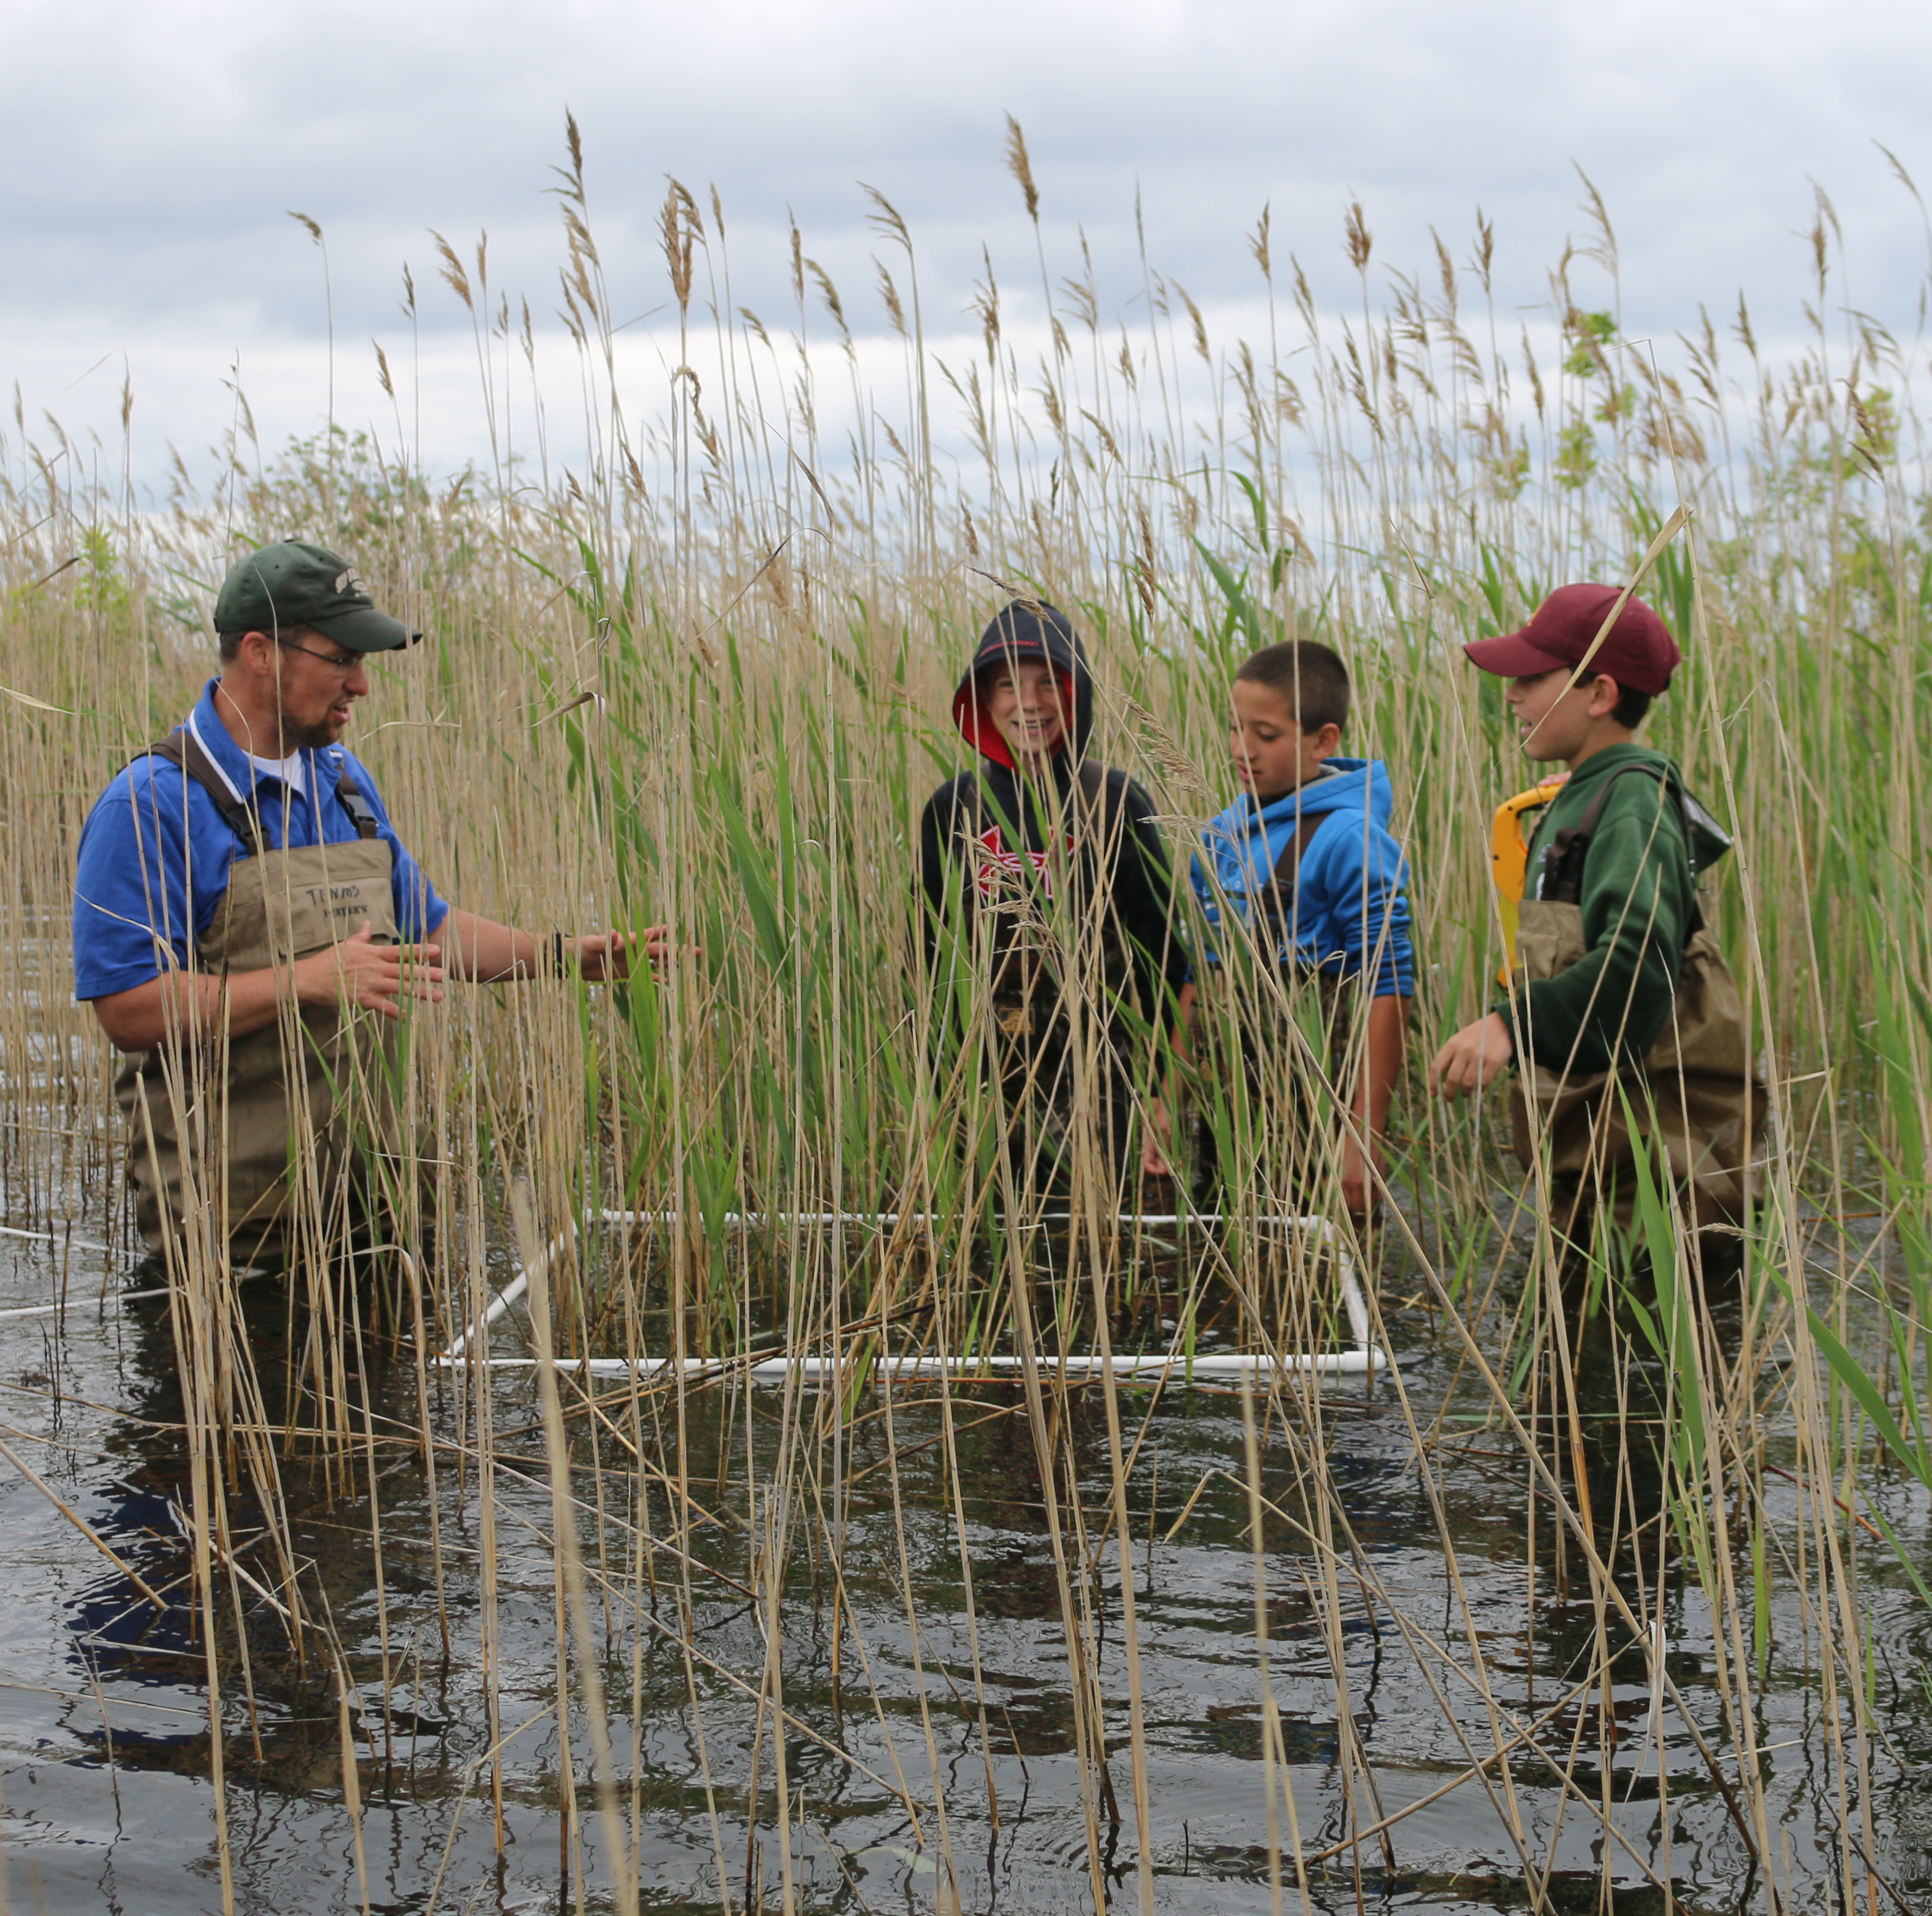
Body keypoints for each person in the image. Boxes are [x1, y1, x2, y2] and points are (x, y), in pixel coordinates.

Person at [72, 539, 664, 1267]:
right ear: (261, 652)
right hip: (233, 1252)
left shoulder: (342, 782)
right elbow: (128, 1009)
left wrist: (569, 957)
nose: (361, 684)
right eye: (341, 658)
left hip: (373, 1220)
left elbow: (429, 928)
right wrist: (311, 980)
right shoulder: (150, 804)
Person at [1429, 582, 1762, 1258]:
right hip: (1604, 1165)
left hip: (1659, 1185)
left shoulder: (1632, 803)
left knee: (1645, 1353)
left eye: (1530, 677)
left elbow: (1637, 967)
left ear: (1600, 694)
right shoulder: (1590, 792)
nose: (1511, 694)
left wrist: (1511, 1024)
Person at [917, 598, 1187, 1198]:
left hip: (1104, 1077)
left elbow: (1166, 957)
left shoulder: (1113, 800)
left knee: (1104, 1255)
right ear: (983, 699)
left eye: (1049, 682)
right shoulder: (953, 806)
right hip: (989, 1076)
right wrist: (941, 1094)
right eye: (1008, 683)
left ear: (1077, 693)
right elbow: (931, 954)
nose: (1030, 702)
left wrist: (1161, 1096)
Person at [1158, 641, 1413, 1223]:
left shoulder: (1351, 838)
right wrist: (1169, 1095)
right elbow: (1202, 971)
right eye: (1234, 728)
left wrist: (1361, 1135)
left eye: (1266, 734)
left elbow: (1390, 984)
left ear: (1323, 740)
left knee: (1320, 1269)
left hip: (1319, 1111)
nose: (1242, 750)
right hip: (1232, 1110)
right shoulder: (1221, 835)